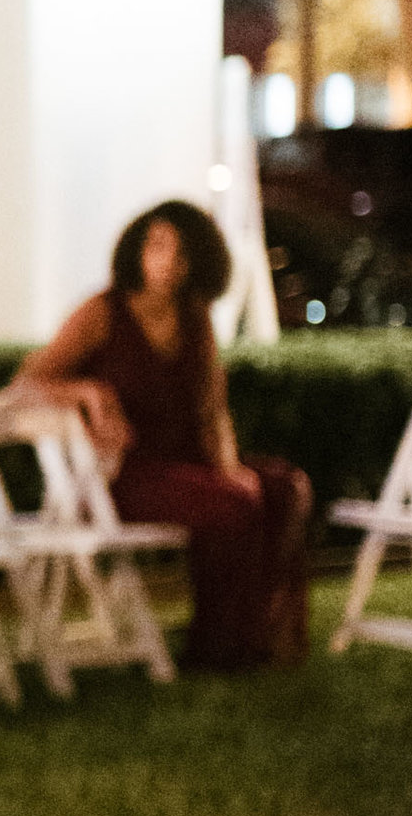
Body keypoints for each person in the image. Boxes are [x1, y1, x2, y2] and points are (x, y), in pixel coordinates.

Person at [17, 196, 310, 670]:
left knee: (283, 488)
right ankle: (215, 647)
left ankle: (258, 633)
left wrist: (229, 467)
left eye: (182, 253)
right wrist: (85, 392)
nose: (168, 262)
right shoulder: (103, 312)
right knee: (231, 502)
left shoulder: (196, 318)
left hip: (190, 461)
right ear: (137, 248)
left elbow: (213, 408)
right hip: (126, 474)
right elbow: (28, 382)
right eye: (157, 245)